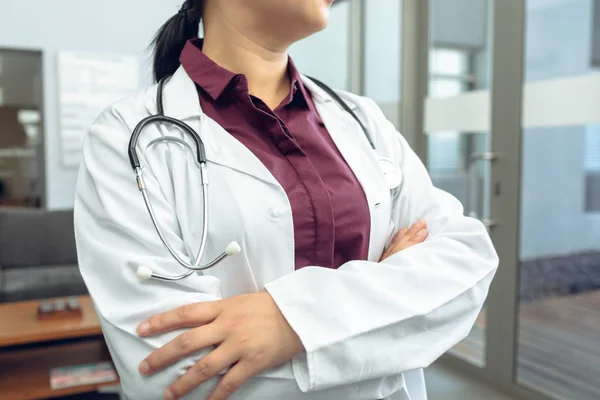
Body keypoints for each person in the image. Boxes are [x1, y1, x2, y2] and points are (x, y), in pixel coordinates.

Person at [73, 0, 499, 399]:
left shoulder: (361, 119)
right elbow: (172, 372)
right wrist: (385, 311)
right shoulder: (124, 138)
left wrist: (290, 323)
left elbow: (466, 261)